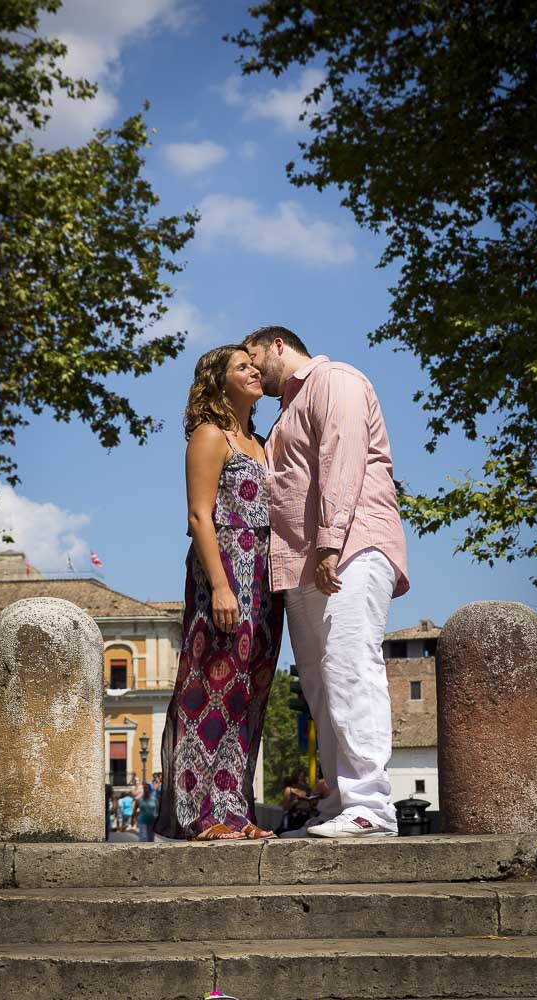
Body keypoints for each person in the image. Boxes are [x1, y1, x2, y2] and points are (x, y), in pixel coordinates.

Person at [244, 326, 409, 839]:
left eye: (252, 359)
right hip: (304, 563)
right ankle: (342, 801)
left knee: (349, 664)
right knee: (319, 684)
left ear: (276, 345)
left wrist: (332, 541)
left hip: (349, 547)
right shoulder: (283, 413)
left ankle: (372, 805)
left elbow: (343, 455)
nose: (250, 372)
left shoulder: (334, 378)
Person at [155, 345, 284, 841]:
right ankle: (200, 814)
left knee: (249, 694)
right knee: (210, 690)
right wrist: (221, 586)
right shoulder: (210, 436)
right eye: (241, 366)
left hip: (264, 580)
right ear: (217, 381)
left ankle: (234, 809)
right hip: (225, 572)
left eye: (255, 363)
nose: (254, 369)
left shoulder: (263, 442)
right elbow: (197, 517)